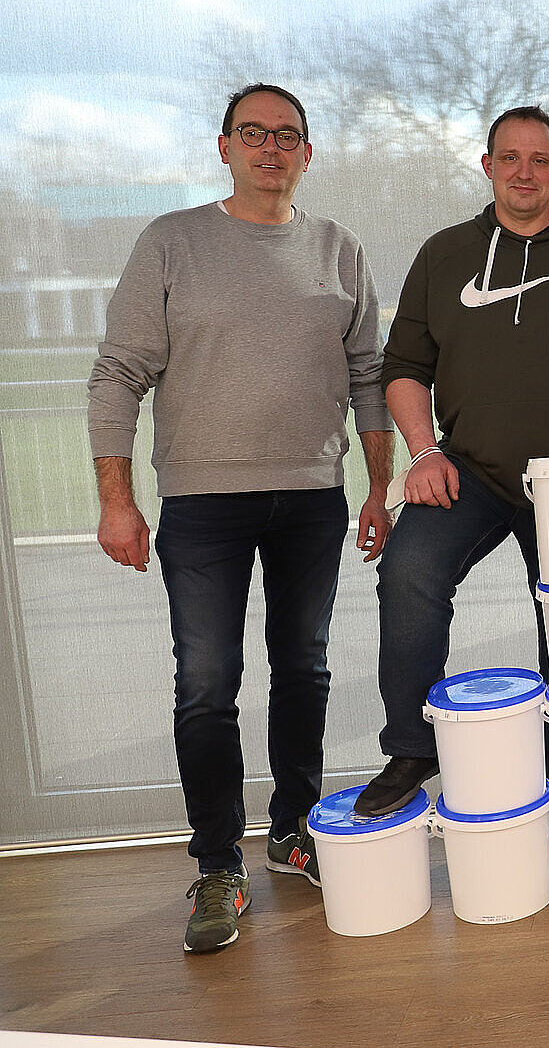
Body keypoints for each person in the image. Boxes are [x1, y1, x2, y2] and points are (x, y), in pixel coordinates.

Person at [88, 84, 393, 954]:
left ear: (308, 153)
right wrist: (117, 500)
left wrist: (379, 488)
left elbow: (369, 377)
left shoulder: (339, 249)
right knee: (205, 683)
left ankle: (293, 831)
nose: (270, 148)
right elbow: (119, 373)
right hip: (201, 502)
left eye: (286, 135)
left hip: (312, 497)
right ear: (224, 147)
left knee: (304, 669)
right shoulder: (172, 242)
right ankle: (218, 866)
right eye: (252, 133)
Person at [355, 105, 549, 817]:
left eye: (540, 160)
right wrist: (423, 453)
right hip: (472, 471)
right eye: (511, 158)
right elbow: (403, 368)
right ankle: (412, 748)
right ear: (488, 166)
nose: (525, 172)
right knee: (408, 571)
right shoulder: (445, 254)